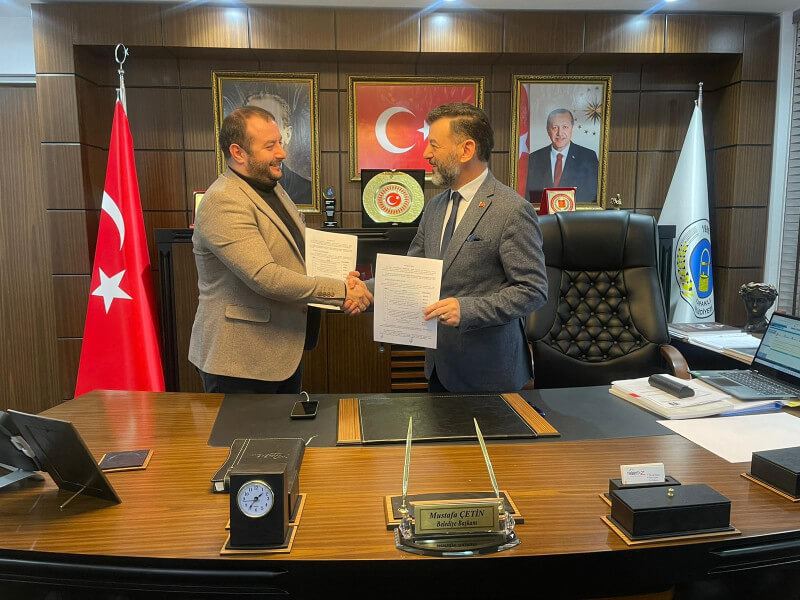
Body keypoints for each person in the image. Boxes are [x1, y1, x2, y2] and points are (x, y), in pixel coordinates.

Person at [189, 106, 372, 394]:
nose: (282, 153)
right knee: (246, 428)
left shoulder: (271, 188)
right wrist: (341, 291)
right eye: (270, 146)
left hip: (280, 351)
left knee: (282, 426)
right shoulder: (224, 201)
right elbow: (265, 276)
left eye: (280, 142)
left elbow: (295, 253)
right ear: (238, 153)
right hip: (240, 362)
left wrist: (343, 280)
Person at [393, 102, 548, 393]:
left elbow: (533, 290)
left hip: (490, 374)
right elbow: (412, 271)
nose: (426, 154)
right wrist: (364, 290)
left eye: (434, 145)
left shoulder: (512, 210)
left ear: (466, 150)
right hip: (439, 368)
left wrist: (468, 310)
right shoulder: (434, 207)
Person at [246, 91, 313, 204]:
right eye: (254, 124)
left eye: (271, 122)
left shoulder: (306, 190)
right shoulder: (227, 193)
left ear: (287, 134)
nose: (261, 132)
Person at [526, 108, 599, 204]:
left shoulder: (588, 157)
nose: (559, 133)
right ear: (548, 130)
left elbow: (593, 196)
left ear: (572, 128)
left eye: (565, 127)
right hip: (541, 213)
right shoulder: (534, 158)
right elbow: (528, 196)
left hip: (577, 213)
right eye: (555, 127)